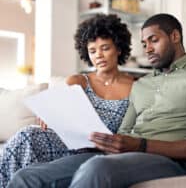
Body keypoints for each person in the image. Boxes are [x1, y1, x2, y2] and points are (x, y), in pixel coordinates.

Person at [7, 13, 186, 188]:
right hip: (120, 155)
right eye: (144, 44)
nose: (148, 48)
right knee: (28, 177)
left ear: (175, 37)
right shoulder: (142, 84)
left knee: (97, 168)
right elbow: (124, 131)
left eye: (154, 40)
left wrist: (140, 145)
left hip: (170, 160)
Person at [0, 14, 134, 188]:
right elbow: (57, 109)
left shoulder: (135, 87)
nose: (98, 55)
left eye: (105, 48)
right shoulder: (79, 80)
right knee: (27, 135)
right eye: (92, 51)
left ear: (119, 49)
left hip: (102, 151)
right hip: (68, 145)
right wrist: (50, 114)